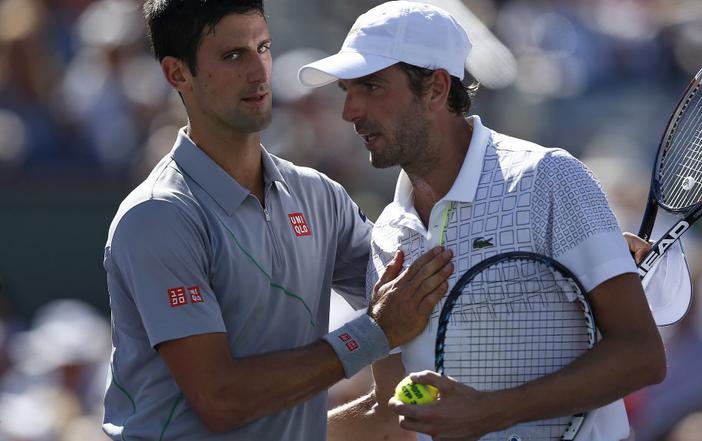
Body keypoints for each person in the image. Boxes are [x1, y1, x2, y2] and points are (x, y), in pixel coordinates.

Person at [298, 2, 668, 440]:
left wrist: (491, 412)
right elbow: (392, 411)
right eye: (347, 90)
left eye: (371, 87)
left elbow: (641, 354)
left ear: (436, 88)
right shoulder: (388, 233)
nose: (350, 110)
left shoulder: (549, 178)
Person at [102, 1, 454, 440]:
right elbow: (220, 400)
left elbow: (414, 295)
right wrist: (374, 333)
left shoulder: (319, 196)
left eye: (263, 48)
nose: (258, 71)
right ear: (178, 74)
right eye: (233, 55)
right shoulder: (158, 216)